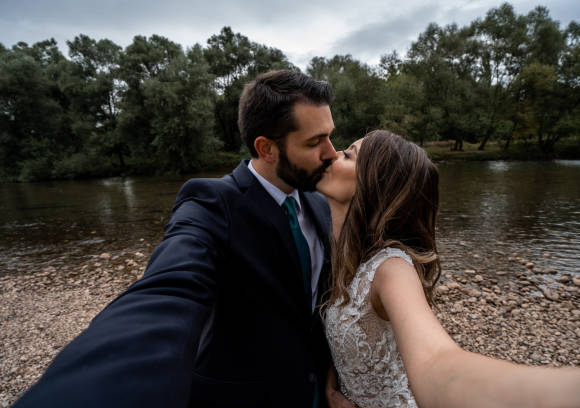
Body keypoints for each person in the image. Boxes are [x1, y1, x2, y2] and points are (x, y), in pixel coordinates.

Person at [15, 70, 354, 408]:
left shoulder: (318, 199)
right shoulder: (211, 203)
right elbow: (170, 287)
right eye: (314, 142)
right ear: (266, 148)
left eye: (330, 136)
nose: (331, 152)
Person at [317, 130, 580, 408]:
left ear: (374, 185)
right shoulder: (343, 252)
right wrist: (332, 386)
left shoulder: (391, 269)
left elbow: (437, 363)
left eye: (348, 154)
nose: (332, 154)